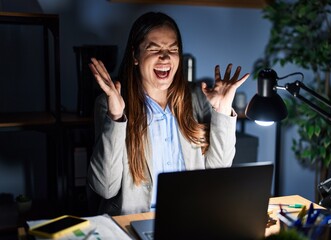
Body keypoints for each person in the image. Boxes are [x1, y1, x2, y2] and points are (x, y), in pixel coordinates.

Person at [87, 11, 249, 216]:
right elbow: (105, 188)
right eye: (154, 49)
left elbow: (218, 171)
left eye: (173, 49)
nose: (165, 57)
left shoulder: (197, 99)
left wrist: (223, 111)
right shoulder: (108, 104)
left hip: (191, 218)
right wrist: (117, 117)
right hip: (135, 223)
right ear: (135, 55)